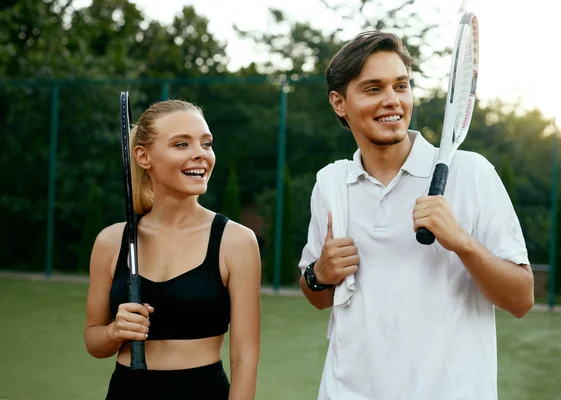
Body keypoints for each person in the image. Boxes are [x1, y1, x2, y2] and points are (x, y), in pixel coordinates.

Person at [298, 31, 534, 400]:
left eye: (401, 85)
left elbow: (521, 299)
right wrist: (319, 274)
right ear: (339, 102)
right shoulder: (329, 184)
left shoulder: (472, 173)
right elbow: (318, 296)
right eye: (373, 89)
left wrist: (463, 243)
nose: (392, 100)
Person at [84, 99, 261, 399]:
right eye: (181, 144)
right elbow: (93, 340)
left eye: (206, 144)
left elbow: (244, 357)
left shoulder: (236, 241)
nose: (200, 155)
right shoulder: (110, 242)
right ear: (143, 156)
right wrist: (115, 332)